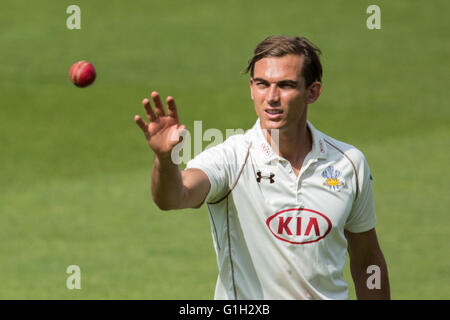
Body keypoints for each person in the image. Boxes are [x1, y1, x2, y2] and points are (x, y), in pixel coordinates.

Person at [134, 35, 390, 300]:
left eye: (286, 85)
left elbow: (367, 260)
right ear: (251, 88)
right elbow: (174, 197)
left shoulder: (349, 163)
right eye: (262, 84)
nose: (271, 97)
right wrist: (165, 160)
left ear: (312, 92)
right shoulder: (231, 159)